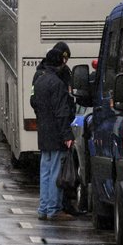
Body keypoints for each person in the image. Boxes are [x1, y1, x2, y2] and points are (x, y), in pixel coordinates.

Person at [30, 48, 75, 221]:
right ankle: (53, 209)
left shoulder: (39, 80)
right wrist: (67, 135)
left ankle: (43, 208)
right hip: (56, 133)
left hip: (44, 131)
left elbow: (33, 101)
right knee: (56, 171)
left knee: (46, 171)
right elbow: (62, 112)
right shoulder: (57, 84)